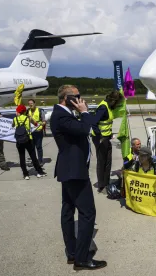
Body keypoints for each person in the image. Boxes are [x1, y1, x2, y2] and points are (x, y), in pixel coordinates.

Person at [50, 85, 107, 271]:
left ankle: (73, 252)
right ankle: (81, 258)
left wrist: (82, 113)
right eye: (77, 97)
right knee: (87, 213)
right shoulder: (61, 115)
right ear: (66, 98)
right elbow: (83, 130)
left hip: (70, 169)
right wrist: (85, 112)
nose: (81, 100)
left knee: (68, 210)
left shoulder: (64, 113)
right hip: (74, 172)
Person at [91, 91, 125, 194]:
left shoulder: (109, 107)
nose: (117, 105)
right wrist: (100, 136)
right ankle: (102, 185)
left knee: (108, 161)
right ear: (113, 100)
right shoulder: (103, 107)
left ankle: (106, 182)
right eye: (117, 103)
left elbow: (106, 123)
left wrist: (109, 135)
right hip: (100, 138)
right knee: (102, 161)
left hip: (106, 138)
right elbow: (94, 122)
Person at [12, 104, 46, 180]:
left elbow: (12, 126)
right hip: (28, 139)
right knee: (33, 156)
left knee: (22, 157)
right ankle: (39, 172)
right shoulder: (28, 118)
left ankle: (25, 174)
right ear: (24, 111)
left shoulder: (15, 119)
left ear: (18, 111)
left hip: (19, 141)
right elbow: (36, 124)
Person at [27, 99, 46, 166]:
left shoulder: (40, 111)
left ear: (35, 104)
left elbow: (44, 121)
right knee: (32, 147)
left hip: (38, 131)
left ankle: (40, 161)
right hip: (30, 132)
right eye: (29, 103)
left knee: (38, 147)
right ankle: (34, 161)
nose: (30, 104)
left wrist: (40, 124)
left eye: (31, 103)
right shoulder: (27, 111)